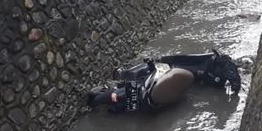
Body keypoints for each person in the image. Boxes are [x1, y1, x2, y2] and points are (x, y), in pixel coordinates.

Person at [87, 50, 241, 113]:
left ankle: (102, 100)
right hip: (145, 98)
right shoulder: (150, 86)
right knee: (120, 101)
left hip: (144, 96)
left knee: (120, 99)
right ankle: (104, 100)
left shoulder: (147, 86)